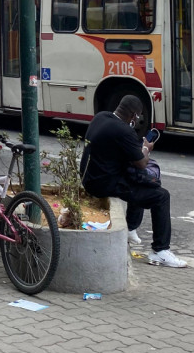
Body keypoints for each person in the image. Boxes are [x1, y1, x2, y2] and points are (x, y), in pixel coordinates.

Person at [79, 95, 186, 268]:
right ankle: (160, 251)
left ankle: (130, 228)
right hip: (102, 184)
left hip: (89, 177)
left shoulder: (101, 117)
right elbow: (142, 163)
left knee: (143, 183)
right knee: (161, 196)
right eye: (139, 116)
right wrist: (146, 147)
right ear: (134, 116)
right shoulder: (124, 131)